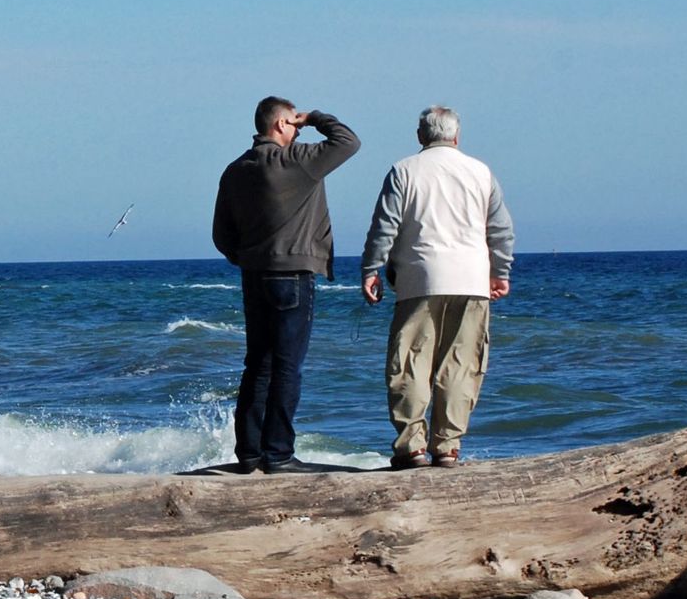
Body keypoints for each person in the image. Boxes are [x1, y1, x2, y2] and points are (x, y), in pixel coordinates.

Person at [210, 96, 361, 474]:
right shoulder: (299, 161)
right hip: (293, 273)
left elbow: (221, 233)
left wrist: (246, 258)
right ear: (280, 124)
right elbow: (348, 141)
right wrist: (315, 118)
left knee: (257, 365)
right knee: (287, 366)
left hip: (254, 274)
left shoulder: (235, 169)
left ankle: (248, 453)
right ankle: (278, 453)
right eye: (292, 124)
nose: (297, 130)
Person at [360, 105, 515, 469]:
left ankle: (411, 446)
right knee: (461, 365)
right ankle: (447, 446)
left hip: (419, 277)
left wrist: (372, 269)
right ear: (456, 136)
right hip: (472, 279)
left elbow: (385, 226)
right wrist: (501, 272)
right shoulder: (481, 172)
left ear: (421, 136)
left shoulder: (404, 170)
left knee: (410, 363)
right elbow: (501, 231)